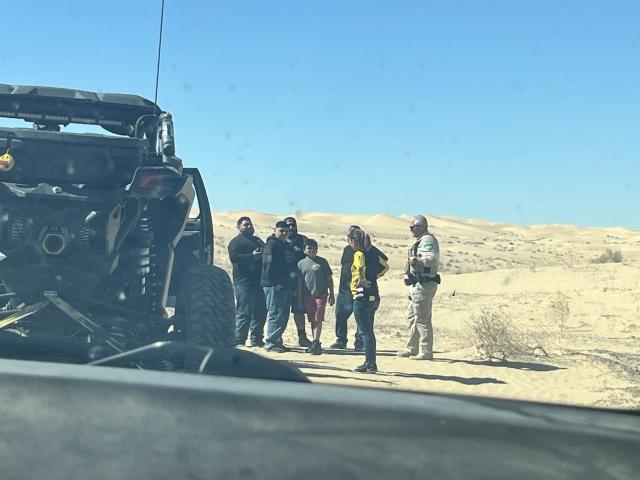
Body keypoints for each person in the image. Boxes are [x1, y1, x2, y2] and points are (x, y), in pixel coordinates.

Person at [330, 226, 388, 350]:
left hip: (361, 290)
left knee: (361, 317)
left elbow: (384, 263)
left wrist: (371, 277)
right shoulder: (347, 249)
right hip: (345, 288)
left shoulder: (369, 251)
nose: (349, 240)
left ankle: (360, 342)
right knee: (340, 315)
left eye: (351, 237)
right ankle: (341, 340)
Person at [397, 215, 441, 360]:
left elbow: (432, 259)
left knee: (422, 319)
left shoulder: (428, 240)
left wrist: (417, 260)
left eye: (413, 227)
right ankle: (412, 348)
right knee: (412, 317)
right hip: (415, 284)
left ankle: (426, 351)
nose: (411, 230)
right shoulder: (419, 242)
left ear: (422, 227)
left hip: (424, 284)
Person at [227, 216, 266, 347]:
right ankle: (239, 339)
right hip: (243, 282)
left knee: (260, 310)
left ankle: (256, 339)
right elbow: (234, 257)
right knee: (244, 310)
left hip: (259, 281)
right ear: (238, 227)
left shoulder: (257, 240)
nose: (249, 227)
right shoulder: (235, 242)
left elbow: (266, 251)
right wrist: (251, 256)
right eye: (246, 225)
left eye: (250, 225)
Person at [261, 221, 297, 352]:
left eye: (286, 232)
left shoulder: (285, 246)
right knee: (275, 312)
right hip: (274, 285)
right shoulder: (272, 245)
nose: (284, 234)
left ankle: (277, 340)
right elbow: (267, 265)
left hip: (285, 285)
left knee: (283, 313)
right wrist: (274, 283)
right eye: (281, 231)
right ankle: (271, 342)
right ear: (275, 230)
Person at [348, 228, 380, 373]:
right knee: (368, 331)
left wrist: (362, 279)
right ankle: (370, 362)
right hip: (374, 296)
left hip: (362, 297)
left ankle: (370, 364)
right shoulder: (372, 253)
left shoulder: (359, 254)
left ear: (354, 241)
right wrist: (373, 277)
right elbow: (385, 265)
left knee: (365, 332)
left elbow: (360, 266)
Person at [297, 238, 335, 355]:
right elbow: (299, 282)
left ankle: (316, 342)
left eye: (314, 249)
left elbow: (329, 279)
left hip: (321, 295)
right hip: (307, 295)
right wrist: (299, 297)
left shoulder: (322, 262)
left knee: (318, 318)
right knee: (312, 318)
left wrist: (332, 294)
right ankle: (314, 343)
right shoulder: (301, 264)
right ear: (304, 250)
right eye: (309, 248)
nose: (312, 251)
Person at [283, 216, 312, 347]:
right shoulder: (279, 240)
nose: (290, 228)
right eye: (288, 225)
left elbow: (311, 256)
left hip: (300, 281)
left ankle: (302, 337)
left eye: (293, 225)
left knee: (299, 309)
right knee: (280, 310)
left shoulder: (302, 240)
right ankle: (275, 338)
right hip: (282, 281)